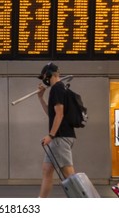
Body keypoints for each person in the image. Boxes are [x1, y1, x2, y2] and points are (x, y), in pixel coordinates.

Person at [37, 62, 76, 198]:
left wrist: (51, 135)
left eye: (43, 77)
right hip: (59, 137)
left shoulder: (57, 88)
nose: (43, 80)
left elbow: (60, 114)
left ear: (49, 75)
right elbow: (52, 114)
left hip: (60, 137)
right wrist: (41, 97)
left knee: (69, 175)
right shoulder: (59, 88)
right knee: (47, 170)